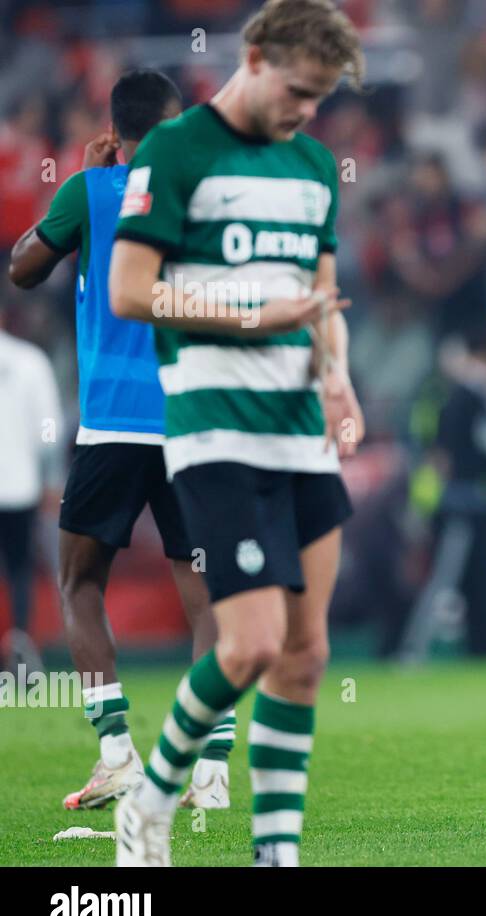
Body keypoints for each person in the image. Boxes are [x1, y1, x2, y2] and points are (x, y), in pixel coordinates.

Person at [106, 0, 364, 866]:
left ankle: (275, 853)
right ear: (253, 56)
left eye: (320, 98)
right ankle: (149, 798)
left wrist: (338, 376)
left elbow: (321, 297)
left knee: (306, 653)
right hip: (214, 428)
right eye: (297, 90)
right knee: (248, 644)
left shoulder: (316, 165)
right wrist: (252, 315)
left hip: (300, 429)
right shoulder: (175, 150)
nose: (305, 111)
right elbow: (132, 291)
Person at [8, 69, 240, 811]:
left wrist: (83, 185)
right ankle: (212, 763)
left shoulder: (91, 191)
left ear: (115, 126)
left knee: (79, 580)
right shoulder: (203, 193)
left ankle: (116, 755)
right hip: (192, 417)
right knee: (204, 589)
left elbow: (21, 270)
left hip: (111, 420)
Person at [0, 308, 61, 674]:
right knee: (20, 570)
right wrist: (49, 474)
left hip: (20, 484)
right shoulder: (30, 361)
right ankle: (20, 649)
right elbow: (50, 427)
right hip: (20, 485)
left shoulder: (31, 361)